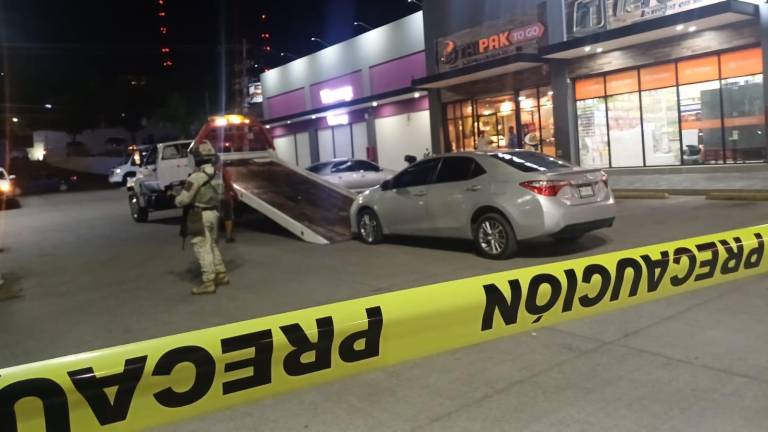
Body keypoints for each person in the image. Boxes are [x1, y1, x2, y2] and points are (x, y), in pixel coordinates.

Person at [174, 141, 229, 295]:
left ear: (198, 158)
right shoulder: (217, 174)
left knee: (201, 246)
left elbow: (184, 200)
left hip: (200, 214)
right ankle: (221, 274)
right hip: (214, 213)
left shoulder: (197, 176)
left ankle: (208, 281)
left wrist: (176, 199)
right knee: (211, 244)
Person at [222, 166, 236, 243]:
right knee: (228, 217)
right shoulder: (224, 170)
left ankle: (212, 237)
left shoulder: (210, 171)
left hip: (214, 196)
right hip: (225, 196)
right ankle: (228, 237)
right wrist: (234, 193)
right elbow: (228, 183)